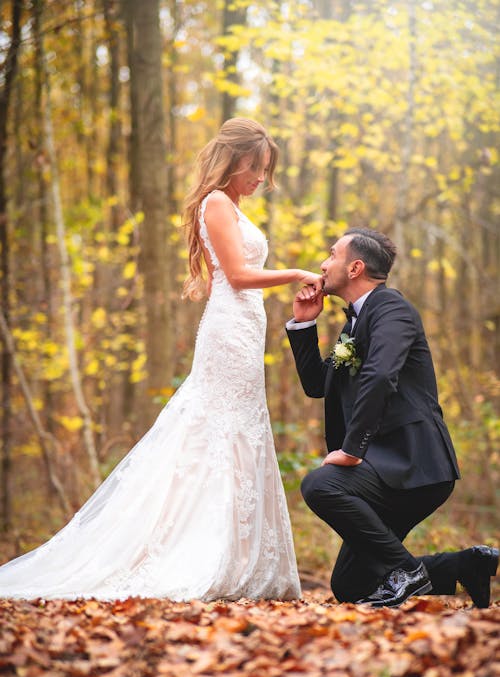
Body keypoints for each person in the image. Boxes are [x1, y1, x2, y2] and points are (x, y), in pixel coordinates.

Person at [0, 117, 321, 602]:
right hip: (229, 329)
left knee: (242, 429)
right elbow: (235, 274)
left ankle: (240, 557)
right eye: (255, 167)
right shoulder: (216, 202)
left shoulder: (231, 205)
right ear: (233, 160)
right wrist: (294, 271)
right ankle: (198, 551)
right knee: (216, 428)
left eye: (265, 169)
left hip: (245, 328)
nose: (261, 178)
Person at [287, 227, 498, 608]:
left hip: (414, 463)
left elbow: (381, 375)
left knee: (321, 485)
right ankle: (464, 565)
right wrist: (304, 324)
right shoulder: (354, 322)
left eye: (331, 254)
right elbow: (320, 385)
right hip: (385, 467)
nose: (322, 263)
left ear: (354, 268)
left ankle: (408, 574)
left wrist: (351, 450)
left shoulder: (392, 310)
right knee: (351, 585)